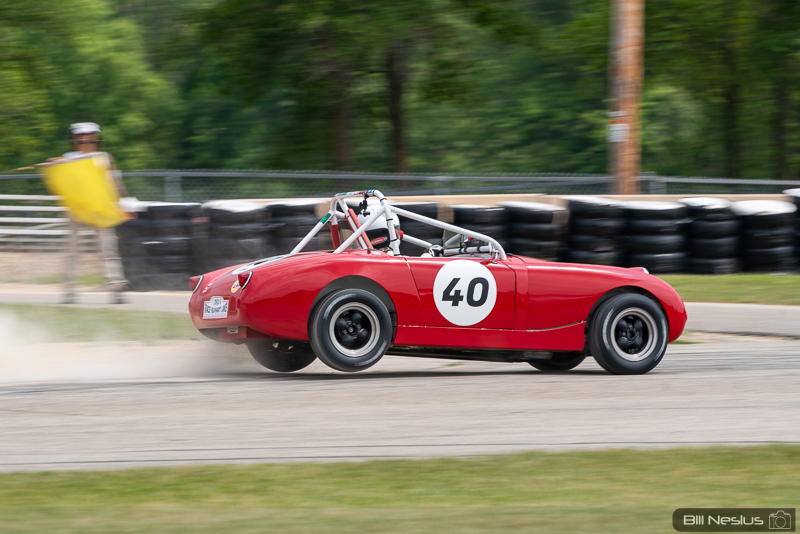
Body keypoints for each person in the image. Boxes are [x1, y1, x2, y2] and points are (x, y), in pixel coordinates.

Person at [50, 122, 130, 304]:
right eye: (81, 135)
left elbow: (113, 183)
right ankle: (69, 290)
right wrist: (54, 164)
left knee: (108, 249)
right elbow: (61, 177)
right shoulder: (68, 158)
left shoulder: (103, 158)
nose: (85, 138)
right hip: (77, 210)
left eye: (89, 134)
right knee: (72, 251)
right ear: (74, 138)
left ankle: (117, 287)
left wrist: (121, 203)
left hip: (100, 209)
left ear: (95, 136)